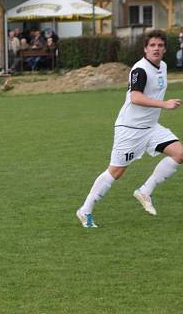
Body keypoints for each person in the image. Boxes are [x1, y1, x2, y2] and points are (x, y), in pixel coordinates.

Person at [76, 30, 183, 228]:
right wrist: (164, 104)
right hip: (131, 128)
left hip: (151, 127)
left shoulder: (163, 66)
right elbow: (135, 97)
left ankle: (145, 191)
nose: (156, 49)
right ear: (145, 49)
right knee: (116, 172)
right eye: (152, 45)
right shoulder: (140, 69)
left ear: (165, 49)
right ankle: (85, 210)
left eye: (160, 45)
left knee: (180, 153)